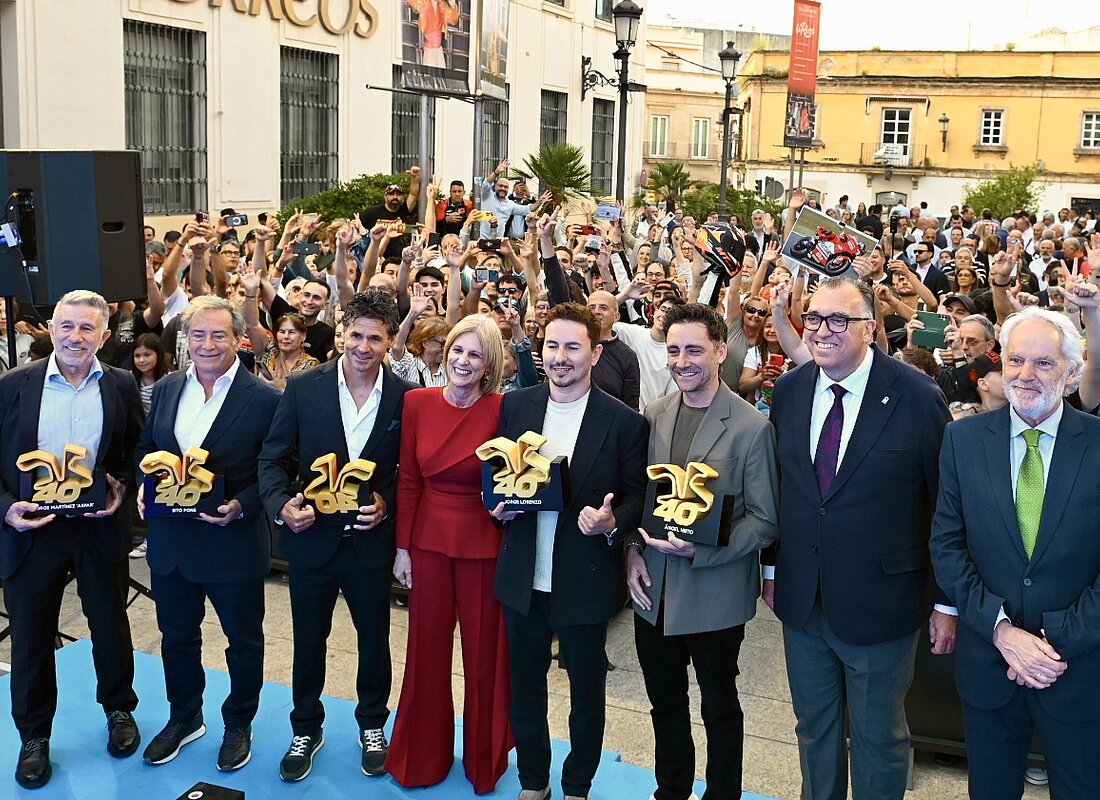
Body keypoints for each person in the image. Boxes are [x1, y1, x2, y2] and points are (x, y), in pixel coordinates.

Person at [765, 277, 956, 800]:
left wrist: (947, 602)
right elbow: (783, 489)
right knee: (814, 728)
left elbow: (945, 504)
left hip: (883, 604)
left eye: (839, 319)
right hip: (804, 601)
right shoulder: (791, 390)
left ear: (870, 328)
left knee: (878, 738)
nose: (822, 330)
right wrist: (773, 569)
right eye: (814, 318)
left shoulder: (918, 397)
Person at [931, 306, 1100, 800]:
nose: (1026, 374)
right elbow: (947, 544)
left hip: (1077, 668)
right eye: (1015, 360)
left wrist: (1051, 643)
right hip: (990, 665)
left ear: (1072, 371)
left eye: (1044, 363)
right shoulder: (961, 439)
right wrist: (1002, 632)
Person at [491, 303, 648, 800]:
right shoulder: (515, 407)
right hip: (523, 576)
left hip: (584, 577)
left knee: (586, 692)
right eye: (552, 345)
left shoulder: (623, 422)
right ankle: (533, 780)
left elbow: (638, 496)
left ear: (594, 353)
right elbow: (498, 479)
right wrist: (498, 507)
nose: (560, 356)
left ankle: (577, 784)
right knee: (524, 688)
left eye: (573, 347)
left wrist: (612, 522)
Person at [258, 289, 413, 781]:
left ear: (390, 341)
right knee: (308, 640)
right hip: (312, 541)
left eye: (375, 339)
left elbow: (409, 472)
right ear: (341, 333)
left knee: (375, 640)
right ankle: (305, 727)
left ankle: (373, 724)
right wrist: (282, 506)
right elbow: (272, 458)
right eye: (355, 335)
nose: (363, 347)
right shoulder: (304, 387)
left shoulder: (407, 397)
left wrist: (386, 502)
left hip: (370, 543)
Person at [627, 302, 779, 800]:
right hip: (654, 593)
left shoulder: (752, 427)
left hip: (715, 594)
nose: (682, 361)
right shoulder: (654, 414)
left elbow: (765, 520)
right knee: (664, 704)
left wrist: (703, 553)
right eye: (674, 351)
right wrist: (632, 550)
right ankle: (670, 791)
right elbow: (640, 499)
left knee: (719, 707)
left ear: (719, 351)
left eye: (693, 350)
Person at [0, 290, 143, 789]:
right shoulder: (13, 385)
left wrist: (123, 484)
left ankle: (120, 710)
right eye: (66, 325)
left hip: (98, 526)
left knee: (110, 624)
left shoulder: (121, 384)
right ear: (50, 329)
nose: (75, 337)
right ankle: (34, 737)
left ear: (104, 335)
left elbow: (136, 449)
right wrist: (6, 508)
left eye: (87, 328)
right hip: (32, 530)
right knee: (31, 635)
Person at [135, 296, 281, 771]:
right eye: (198, 334)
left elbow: (280, 468)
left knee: (243, 641)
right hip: (171, 542)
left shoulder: (264, 398)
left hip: (231, 542)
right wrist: (142, 488)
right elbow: (146, 449)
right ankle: (184, 716)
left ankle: (239, 723)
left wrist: (242, 505)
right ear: (185, 340)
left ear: (238, 339)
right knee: (176, 636)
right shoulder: (168, 387)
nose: (208, 344)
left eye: (219, 334)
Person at [386, 314, 511, 794]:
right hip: (428, 543)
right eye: (457, 349)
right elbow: (408, 480)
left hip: (484, 545)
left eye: (475, 354)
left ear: (488, 365)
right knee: (425, 653)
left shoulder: (504, 409)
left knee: (484, 659)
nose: (462, 360)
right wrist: (403, 548)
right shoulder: (416, 402)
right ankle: (421, 758)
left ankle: (484, 761)